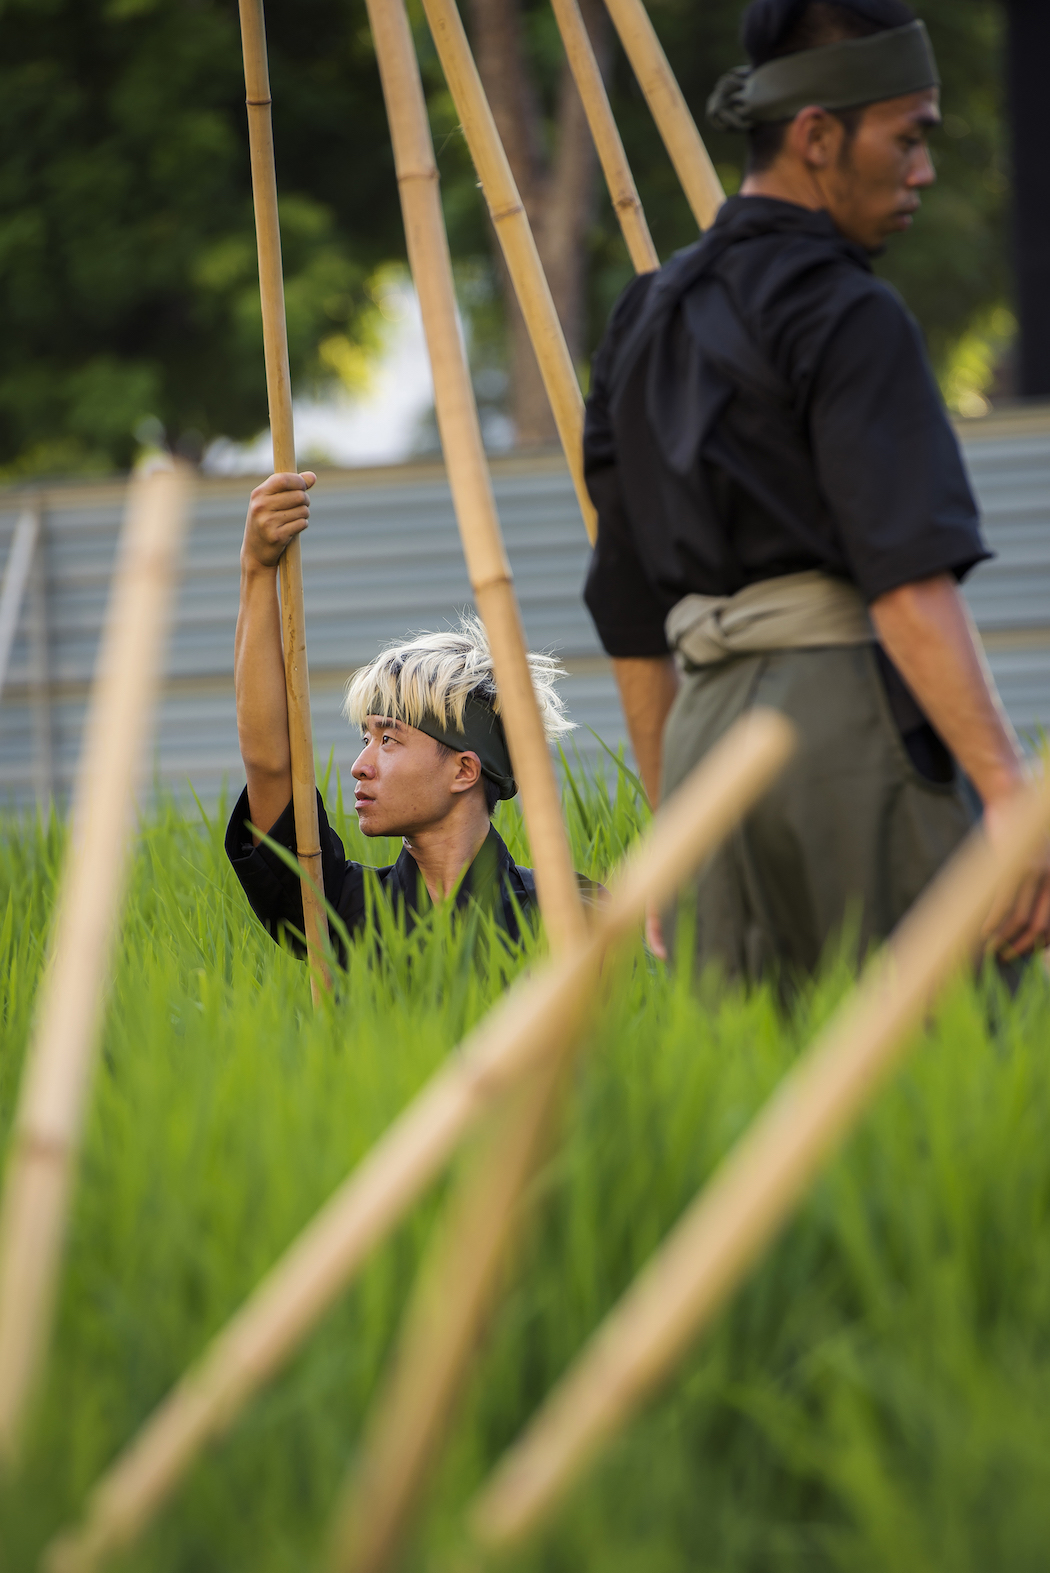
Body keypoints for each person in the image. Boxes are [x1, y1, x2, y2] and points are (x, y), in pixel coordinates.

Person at [583, 0, 1050, 979]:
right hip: (848, 729)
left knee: (754, 1080)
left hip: (705, 736)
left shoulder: (644, 316)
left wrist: (674, 822)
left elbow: (628, 608)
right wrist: (1011, 799)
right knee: (951, 1050)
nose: (923, 169)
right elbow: (908, 583)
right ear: (818, 135)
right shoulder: (851, 313)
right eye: (908, 136)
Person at [227, 469, 576, 957]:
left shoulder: (570, 917)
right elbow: (269, 763)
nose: (360, 765)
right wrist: (256, 569)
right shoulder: (345, 912)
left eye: (388, 740)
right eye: (365, 739)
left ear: (464, 769)